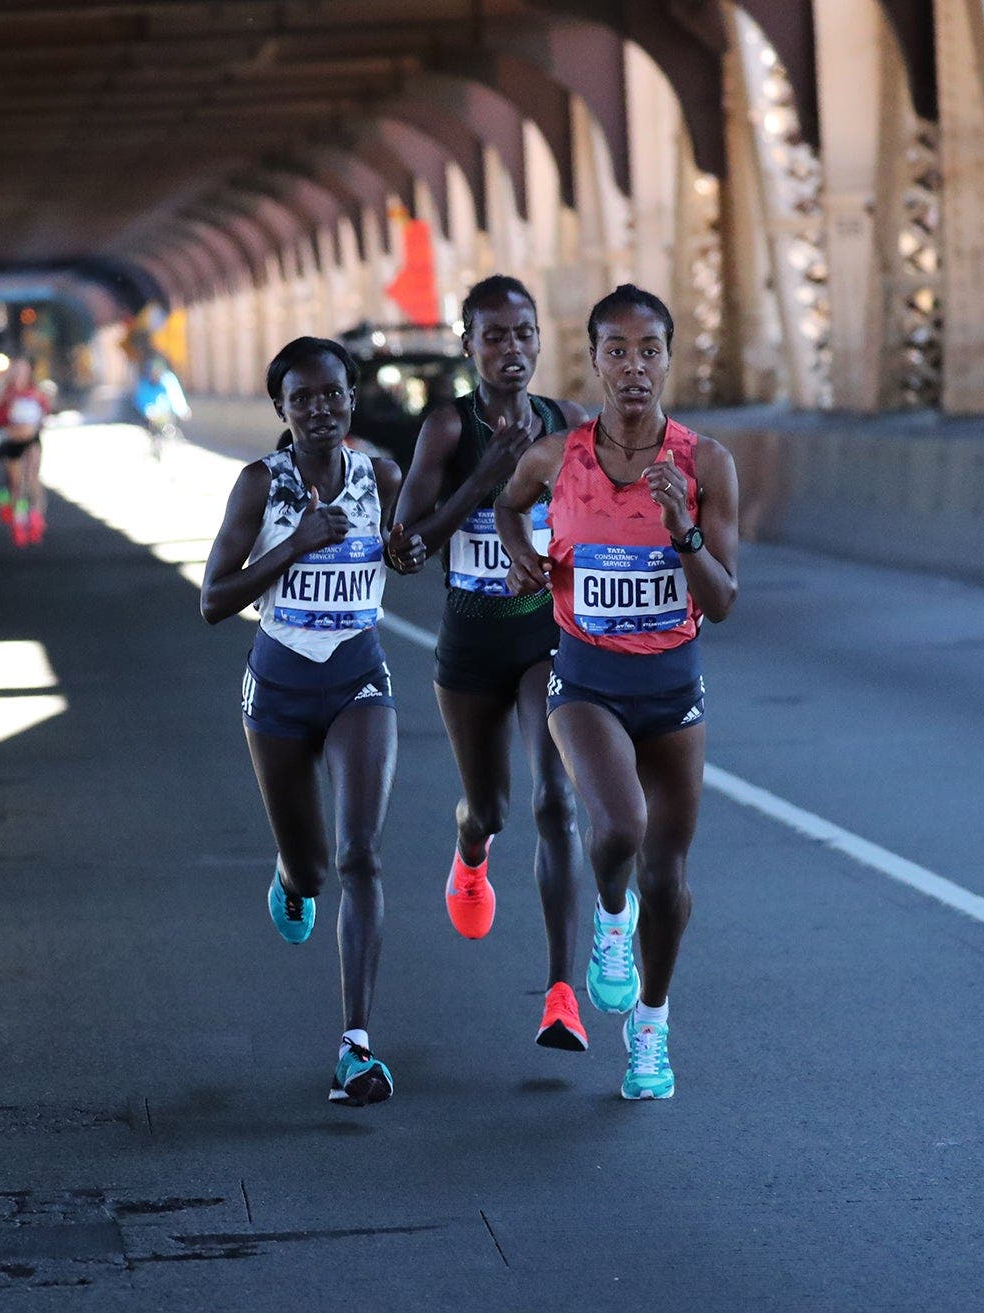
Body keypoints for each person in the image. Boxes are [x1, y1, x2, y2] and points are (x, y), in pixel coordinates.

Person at [493, 285, 739, 1100]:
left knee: (667, 875)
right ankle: (607, 917)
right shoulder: (554, 457)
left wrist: (686, 533)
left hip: (672, 688)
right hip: (587, 678)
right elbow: (506, 504)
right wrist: (522, 554)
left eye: (649, 350)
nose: (634, 367)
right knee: (620, 826)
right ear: (593, 360)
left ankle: (651, 1029)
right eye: (616, 350)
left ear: (670, 358)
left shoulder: (704, 464)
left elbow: (723, 599)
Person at [199, 336, 427, 1107]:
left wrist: (406, 548)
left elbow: (407, 549)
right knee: (312, 867)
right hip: (279, 689)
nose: (320, 409)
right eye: (303, 399)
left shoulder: (381, 474)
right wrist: (293, 546)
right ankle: (291, 877)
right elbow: (213, 599)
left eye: (333, 394)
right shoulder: (262, 485)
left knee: (359, 853)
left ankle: (355, 1047)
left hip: (359, 678)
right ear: (282, 411)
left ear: (352, 400)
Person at [394, 274, 592, 1053]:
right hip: (470, 645)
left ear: (542, 341)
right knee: (494, 808)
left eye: (524, 333)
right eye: (495, 335)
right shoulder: (449, 428)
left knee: (555, 799)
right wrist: (485, 479)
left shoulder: (568, 424)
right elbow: (405, 547)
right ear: (468, 344)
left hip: (546, 637)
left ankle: (560, 994)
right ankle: (470, 851)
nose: (512, 348)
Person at [0, 360, 50, 547]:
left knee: (32, 477)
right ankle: (20, 519)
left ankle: (36, 517)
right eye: (17, 371)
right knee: (16, 484)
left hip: (31, 441)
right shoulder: (6, 394)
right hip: (13, 442)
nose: (20, 375)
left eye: (24, 371)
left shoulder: (37, 392)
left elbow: (45, 413)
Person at [134, 355, 192, 459]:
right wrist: (147, 409)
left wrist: (182, 410)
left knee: (170, 428)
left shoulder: (168, 380)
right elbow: (141, 398)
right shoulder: (145, 383)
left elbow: (175, 395)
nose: (156, 374)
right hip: (151, 415)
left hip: (167, 412)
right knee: (153, 432)